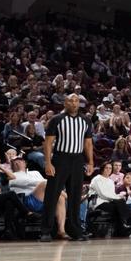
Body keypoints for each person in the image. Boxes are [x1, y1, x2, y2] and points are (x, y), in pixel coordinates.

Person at [40, 93, 93, 242]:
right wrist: (48, 162)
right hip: (60, 159)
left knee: (76, 197)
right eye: (71, 100)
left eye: (76, 101)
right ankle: (46, 231)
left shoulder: (86, 121)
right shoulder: (56, 120)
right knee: (52, 196)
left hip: (77, 160)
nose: (74, 103)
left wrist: (90, 162)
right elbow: (48, 142)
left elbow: (88, 143)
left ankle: (75, 230)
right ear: (65, 103)